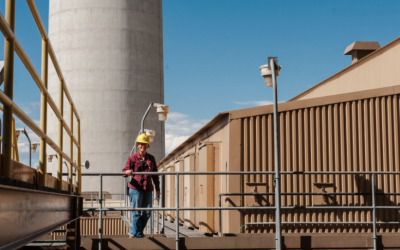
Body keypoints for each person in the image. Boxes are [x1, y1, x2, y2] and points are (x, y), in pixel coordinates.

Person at [122, 133, 160, 238]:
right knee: (137, 213)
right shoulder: (132, 158)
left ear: (148, 146)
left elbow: (155, 175)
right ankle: (138, 234)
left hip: (147, 189)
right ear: (138, 145)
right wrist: (128, 171)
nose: (143, 146)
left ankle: (132, 232)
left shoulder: (151, 159)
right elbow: (124, 171)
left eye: (145, 144)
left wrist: (158, 190)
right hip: (135, 189)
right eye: (141, 144)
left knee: (148, 212)